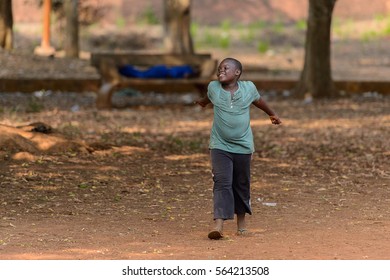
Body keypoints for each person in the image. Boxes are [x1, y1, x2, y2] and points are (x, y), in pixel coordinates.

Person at [195, 57, 282, 240]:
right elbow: (208, 97)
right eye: (219, 69)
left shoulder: (249, 88)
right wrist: (203, 102)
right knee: (221, 182)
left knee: (241, 183)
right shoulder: (213, 88)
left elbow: (259, 101)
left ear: (237, 73)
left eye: (226, 68)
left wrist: (272, 114)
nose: (221, 71)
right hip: (219, 145)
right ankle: (218, 225)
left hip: (243, 146)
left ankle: (241, 224)